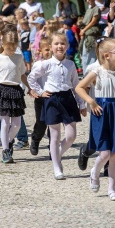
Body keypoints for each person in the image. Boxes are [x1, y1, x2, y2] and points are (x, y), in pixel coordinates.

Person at [75, 38, 115, 200]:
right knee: (105, 152)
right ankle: (95, 171)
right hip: (101, 113)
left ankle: (111, 189)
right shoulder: (97, 72)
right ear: (106, 55)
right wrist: (90, 101)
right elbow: (79, 87)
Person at [27, 32, 86, 177]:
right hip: (52, 99)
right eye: (56, 44)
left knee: (71, 135)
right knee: (55, 136)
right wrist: (40, 92)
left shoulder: (70, 64)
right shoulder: (45, 64)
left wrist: (82, 104)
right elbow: (31, 77)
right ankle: (56, 167)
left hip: (68, 99)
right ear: (51, 47)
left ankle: (57, 155)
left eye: (62, 43)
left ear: (67, 46)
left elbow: (75, 85)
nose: (59, 46)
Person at [0, 29, 29, 163]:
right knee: (4, 122)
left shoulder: (19, 57)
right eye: (9, 47)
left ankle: (9, 141)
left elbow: (22, 75)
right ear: (2, 44)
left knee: (16, 124)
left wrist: (30, 88)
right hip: (2, 90)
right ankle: (5, 151)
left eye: (14, 47)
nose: (11, 49)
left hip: (15, 91)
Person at [28, 38, 53, 156]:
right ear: (40, 51)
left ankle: (52, 148)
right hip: (41, 98)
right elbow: (32, 80)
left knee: (54, 124)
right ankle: (36, 139)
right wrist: (35, 91)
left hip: (53, 97)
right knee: (41, 123)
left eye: (51, 49)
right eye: (46, 50)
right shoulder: (38, 65)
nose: (49, 52)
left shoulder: (57, 64)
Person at [80, 0, 101, 73]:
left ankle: (90, 75)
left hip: (92, 34)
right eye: (86, 0)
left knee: (91, 56)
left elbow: (93, 21)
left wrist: (84, 29)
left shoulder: (96, 9)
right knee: (84, 55)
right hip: (86, 34)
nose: (88, 1)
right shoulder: (89, 9)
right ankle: (86, 74)